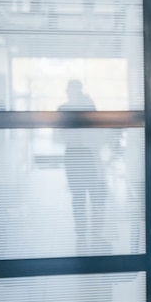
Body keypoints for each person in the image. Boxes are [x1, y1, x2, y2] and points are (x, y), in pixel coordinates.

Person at [57, 79, 106, 251]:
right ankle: (82, 231)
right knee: (78, 194)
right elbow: (60, 134)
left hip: (87, 153)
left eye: (74, 89)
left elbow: (96, 131)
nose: (71, 92)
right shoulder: (64, 109)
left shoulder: (87, 105)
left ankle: (94, 231)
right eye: (70, 89)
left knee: (93, 194)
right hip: (74, 154)